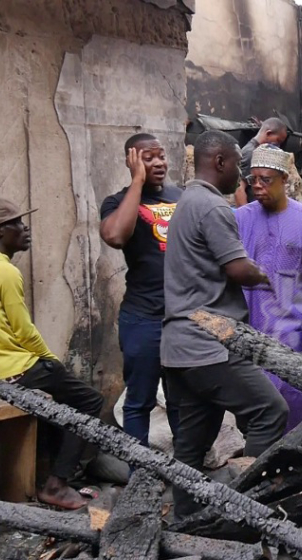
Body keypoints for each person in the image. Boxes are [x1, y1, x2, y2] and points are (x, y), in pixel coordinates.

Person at [162, 130, 289, 517]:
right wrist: (265, 275)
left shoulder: (186, 201)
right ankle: (250, 507)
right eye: (238, 163)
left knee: (192, 441)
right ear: (219, 161)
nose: (243, 173)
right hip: (210, 345)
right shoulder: (214, 208)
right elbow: (237, 269)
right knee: (271, 412)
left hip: (179, 346)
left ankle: (186, 516)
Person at [0, 198, 103, 509]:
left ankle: (48, 474)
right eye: (18, 224)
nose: (25, 229)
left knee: (57, 401)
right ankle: (57, 484)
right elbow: (24, 331)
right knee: (90, 400)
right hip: (7, 371)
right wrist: (51, 360)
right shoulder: (4, 272)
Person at [99, 133, 181, 447]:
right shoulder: (118, 202)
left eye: (161, 156)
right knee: (140, 401)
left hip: (181, 318)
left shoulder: (181, 196)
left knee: (181, 401)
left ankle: (186, 475)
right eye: (148, 157)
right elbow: (117, 236)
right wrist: (137, 182)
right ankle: (140, 478)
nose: (159, 162)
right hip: (143, 317)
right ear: (132, 161)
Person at [235, 144, 302, 431]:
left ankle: (297, 457)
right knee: (254, 399)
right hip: (250, 324)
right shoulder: (240, 218)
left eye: (265, 179)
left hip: (291, 325)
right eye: (252, 179)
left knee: (290, 393)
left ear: (284, 179)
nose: (257, 186)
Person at [237, 118, 290, 205]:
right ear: (268, 133)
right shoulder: (251, 153)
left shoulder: (258, 151)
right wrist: (246, 214)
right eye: (278, 141)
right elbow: (239, 188)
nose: (278, 145)